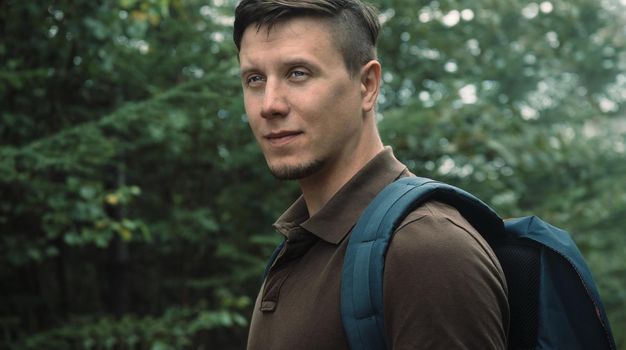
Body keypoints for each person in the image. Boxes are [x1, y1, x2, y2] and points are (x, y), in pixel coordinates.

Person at [233, 0, 509, 348]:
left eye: (297, 73)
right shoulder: (303, 243)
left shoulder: (426, 249)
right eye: (255, 79)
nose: (269, 104)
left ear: (367, 85)